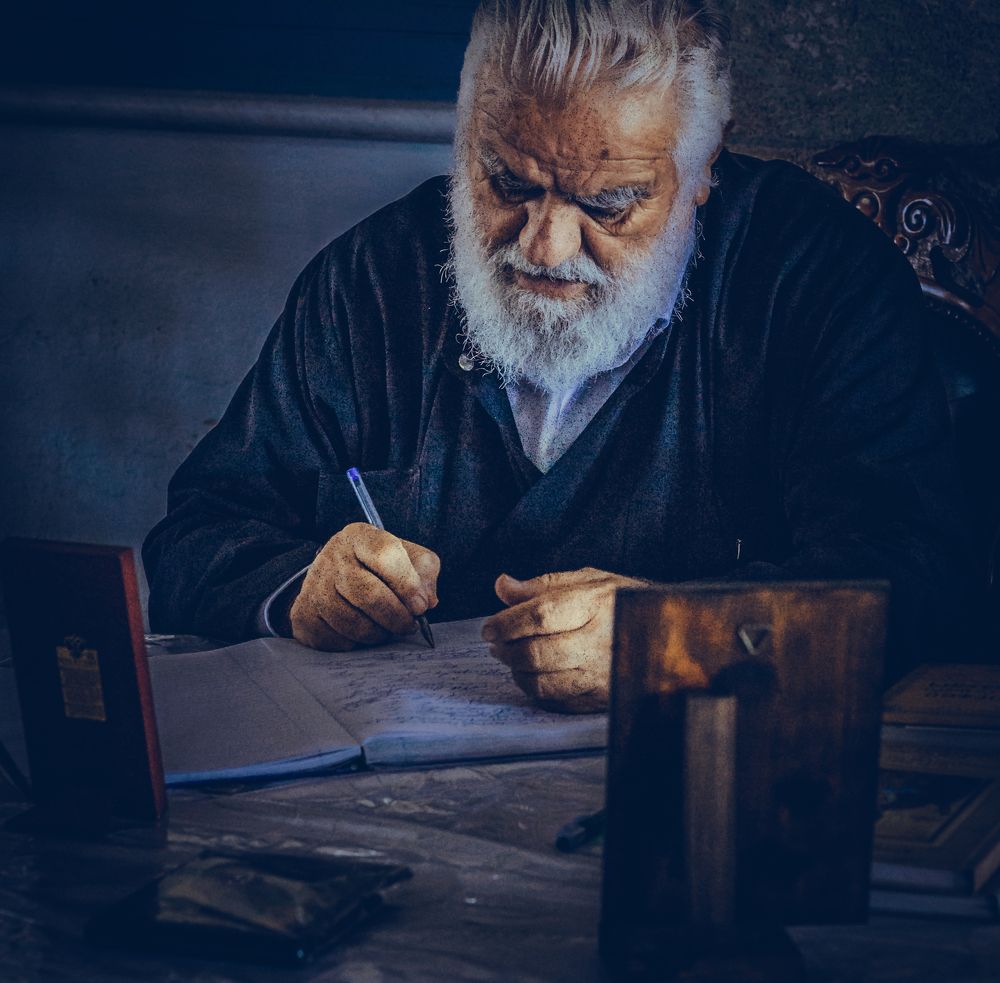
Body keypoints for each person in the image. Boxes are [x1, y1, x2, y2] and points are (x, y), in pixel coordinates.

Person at [144, 0, 973, 712]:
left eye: (607, 205)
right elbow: (196, 534)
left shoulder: (815, 280)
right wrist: (298, 589)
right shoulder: (371, 281)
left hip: (697, 798)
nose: (545, 245)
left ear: (704, 168)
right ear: (468, 133)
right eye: (507, 183)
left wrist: (676, 638)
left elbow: (916, 577)